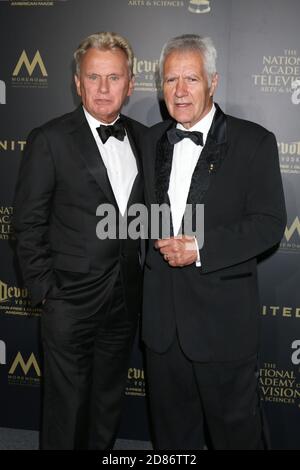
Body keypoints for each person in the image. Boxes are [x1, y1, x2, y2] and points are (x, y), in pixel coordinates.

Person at [141, 34, 286, 450]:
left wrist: (199, 247)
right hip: (162, 329)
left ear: (213, 82)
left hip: (223, 328)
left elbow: (269, 224)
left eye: (191, 78)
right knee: (172, 442)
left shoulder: (254, 141)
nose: (180, 91)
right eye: (171, 80)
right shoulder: (150, 141)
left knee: (237, 438)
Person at [13, 32, 146, 450]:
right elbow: (27, 225)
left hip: (125, 298)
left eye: (113, 77)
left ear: (130, 83)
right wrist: (48, 294)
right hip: (68, 301)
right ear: (77, 82)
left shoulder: (144, 138)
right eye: (93, 77)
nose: (103, 88)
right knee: (65, 409)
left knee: (107, 405)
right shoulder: (50, 139)